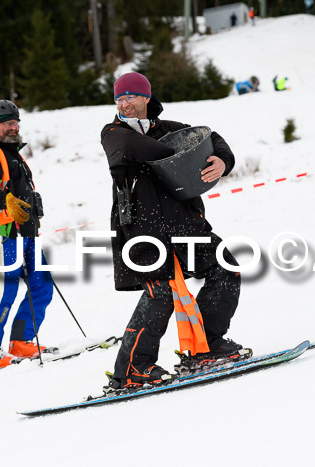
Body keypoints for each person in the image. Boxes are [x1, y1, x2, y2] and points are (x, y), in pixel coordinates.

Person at [100, 72, 246, 391]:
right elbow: (135, 148)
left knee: (226, 269)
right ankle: (131, 371)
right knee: (160, 292)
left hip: (186, 224)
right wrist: (179, 155)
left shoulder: (170, 129)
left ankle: (206, 347)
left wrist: (221, 160)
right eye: (119, 98)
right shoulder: (113, 133)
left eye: (131, 97)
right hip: (143, 228)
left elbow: (210, 137)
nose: (125, 104)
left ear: (146, 97)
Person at [0, 99, 54, 372]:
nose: (12, 127)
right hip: (2, 234)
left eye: (15, 122)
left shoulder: (16, 156)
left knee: (42, 286)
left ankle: (20, 342)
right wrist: (4, 200)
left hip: (27, 234)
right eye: (6, 123)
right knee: (4, 291)